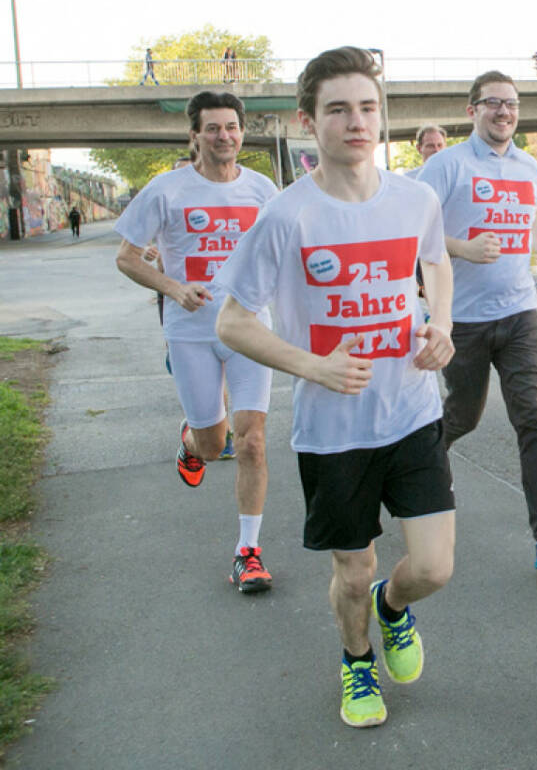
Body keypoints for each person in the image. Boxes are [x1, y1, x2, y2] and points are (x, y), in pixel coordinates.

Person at [215, 46, 456, 729]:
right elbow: (233, 323)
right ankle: (356, 662)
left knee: (433, 568)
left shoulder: (415, 197)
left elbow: (435, 262)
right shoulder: (287, 216)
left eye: (368, 107)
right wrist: (311, 366)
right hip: (333, 432)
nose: (357, 122)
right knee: (352, 569)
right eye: (339, 109)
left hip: (411, 411)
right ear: (306, 120)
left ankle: (393, 608)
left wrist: (441, 324)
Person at [416, 70, 537, 569]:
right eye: (493, 103)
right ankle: (416, 478)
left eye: (511, 104)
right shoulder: (446, 166)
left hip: (518, 313)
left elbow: (532, 225)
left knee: (533, 417)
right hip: (461, 321)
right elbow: (410, 231)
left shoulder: (529, 166)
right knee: (460, 418)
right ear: (472, 111)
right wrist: (462, 247)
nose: (504, 112)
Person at [113, 90, 278, 593]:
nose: (223, 136)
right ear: (195, 136)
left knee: (251, 441)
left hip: (249, 328)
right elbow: (127, 257)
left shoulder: (263, 189)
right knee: (214, 446)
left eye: (231, 127)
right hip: (189, 332)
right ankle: (193, 440)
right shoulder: (166, 190)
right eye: (213, 128)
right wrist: (173, 287)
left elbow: (284, 252)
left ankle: (247, 552)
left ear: (241, 133)